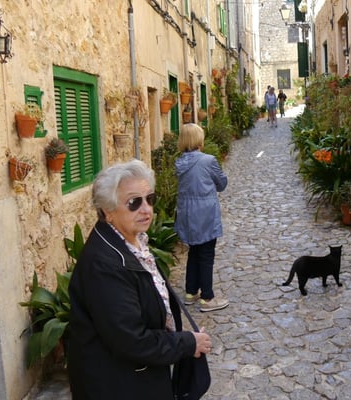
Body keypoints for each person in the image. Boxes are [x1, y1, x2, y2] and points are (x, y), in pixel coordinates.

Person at [67, 159, 212, 399]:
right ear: (107, 211)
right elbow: (131, 340)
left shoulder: (132, 241)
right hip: (118, 385)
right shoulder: (105, 265)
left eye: (149, 199)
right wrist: (187, 343)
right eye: (134, 202)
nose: (146, 209)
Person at [175, 123, 230, 312]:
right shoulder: (208, 161)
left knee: (194, 251)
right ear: (199, 139)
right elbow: (222, 183)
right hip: (205, 214)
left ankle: (191, 292)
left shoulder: (180, 163)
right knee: (206, 254)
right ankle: (207, 297)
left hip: (187, 214)